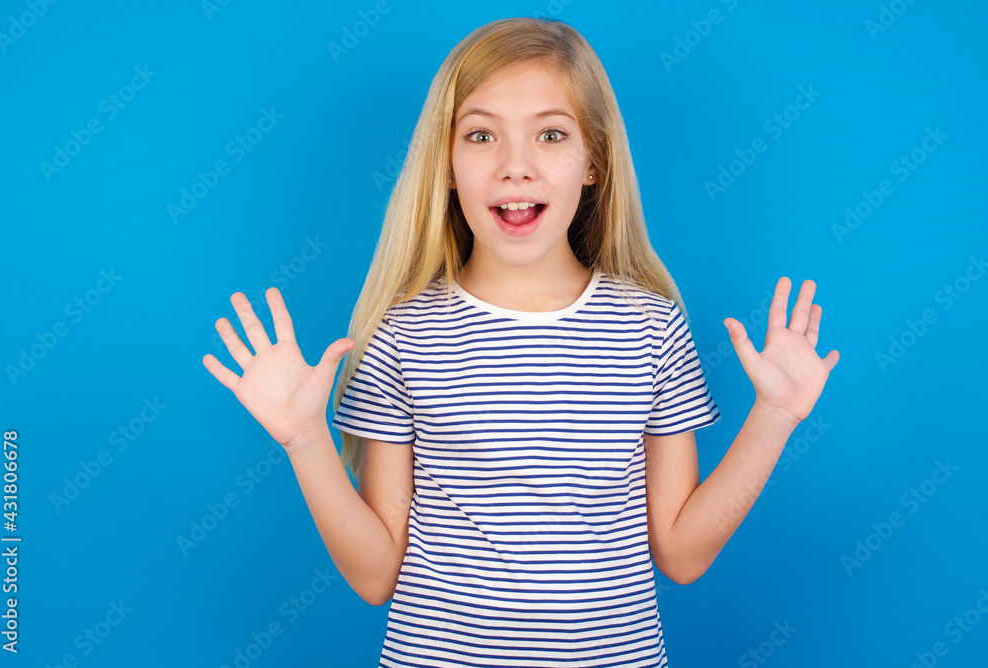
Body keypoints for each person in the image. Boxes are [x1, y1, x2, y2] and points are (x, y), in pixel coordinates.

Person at [202, 16, 839, 667]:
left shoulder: (651, 327)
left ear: (593, 161)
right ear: (447, 164)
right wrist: (305, 439)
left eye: (551, 135)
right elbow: (374, 577)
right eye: (481, 135)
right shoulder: (404, 336)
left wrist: (775, 417)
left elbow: (681, 552)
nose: (515, 167)